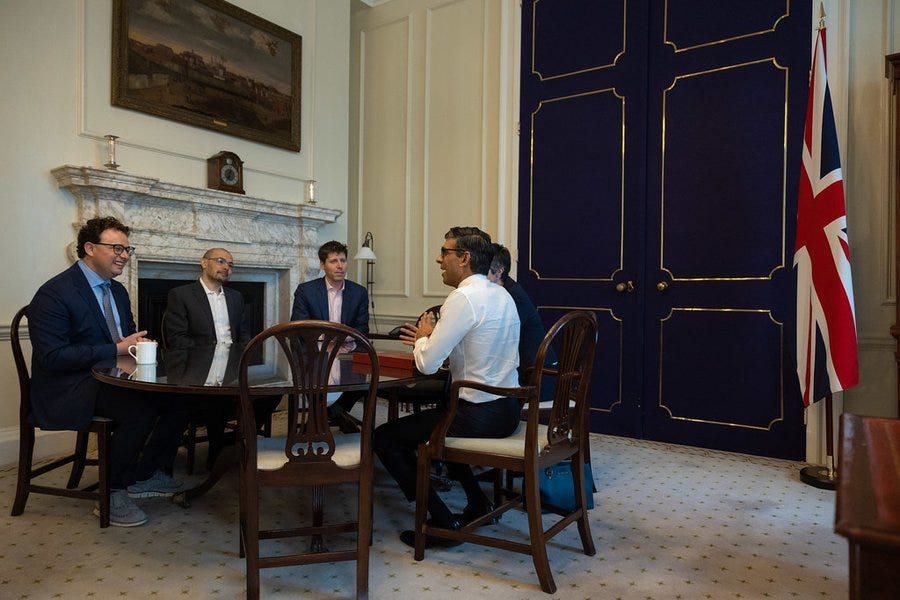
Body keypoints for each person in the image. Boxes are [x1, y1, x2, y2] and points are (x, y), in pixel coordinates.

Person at [28, 216, 189, 527]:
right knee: (140, 410)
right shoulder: (55, 293)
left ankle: (143, 475)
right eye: (117, 248)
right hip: (69, 386)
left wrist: (140, 347)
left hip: (113, 379)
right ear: (89, 248)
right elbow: (52, 357)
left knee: (180, 399)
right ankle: (111, 492)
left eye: (128, 249)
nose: (125, 256)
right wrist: (116, 349)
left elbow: (125, 339)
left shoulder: (116, 291)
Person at [373, 228, 521, 549]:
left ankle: (440, 521)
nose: (439, 259)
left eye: (445, 252)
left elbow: (425, 364)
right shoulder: (502, 294)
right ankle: (478, 503)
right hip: (509, 410)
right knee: (441, 425)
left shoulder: (463, 297)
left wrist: (425, 333)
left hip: (480, 415)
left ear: (464, 259)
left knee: (384, 438)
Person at [163, 248, 280, 469]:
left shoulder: (235, 297)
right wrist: (212, 353)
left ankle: (235, 441)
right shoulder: (181, 295)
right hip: (198, 371)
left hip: (232, 369)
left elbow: (243, 335)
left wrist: (243, 355)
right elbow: (177, 340)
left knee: (274, 392)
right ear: (203, 263)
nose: (227, 267)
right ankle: (217, 454)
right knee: (217, 400)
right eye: (220, 261)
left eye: (230, 264)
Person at [291, 240, 369, 431]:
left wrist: (344, 338)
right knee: (312, 379)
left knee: (362, 384)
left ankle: (323, 416)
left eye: (343, 260)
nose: (340, 265)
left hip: (347, 348)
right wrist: (329, 336)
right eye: (333, 261)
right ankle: (337, 416)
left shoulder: (359, 292)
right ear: (323, 265)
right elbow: (298, 325)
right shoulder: (306, 291)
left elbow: (362, 328)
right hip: (315, 348)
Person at [487, 243, 556, 398]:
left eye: (482, 268)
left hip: (536, 378)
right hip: (525, 372)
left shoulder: (512, 297)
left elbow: (495, 338)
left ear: (499, 271)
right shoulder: (505, 289)